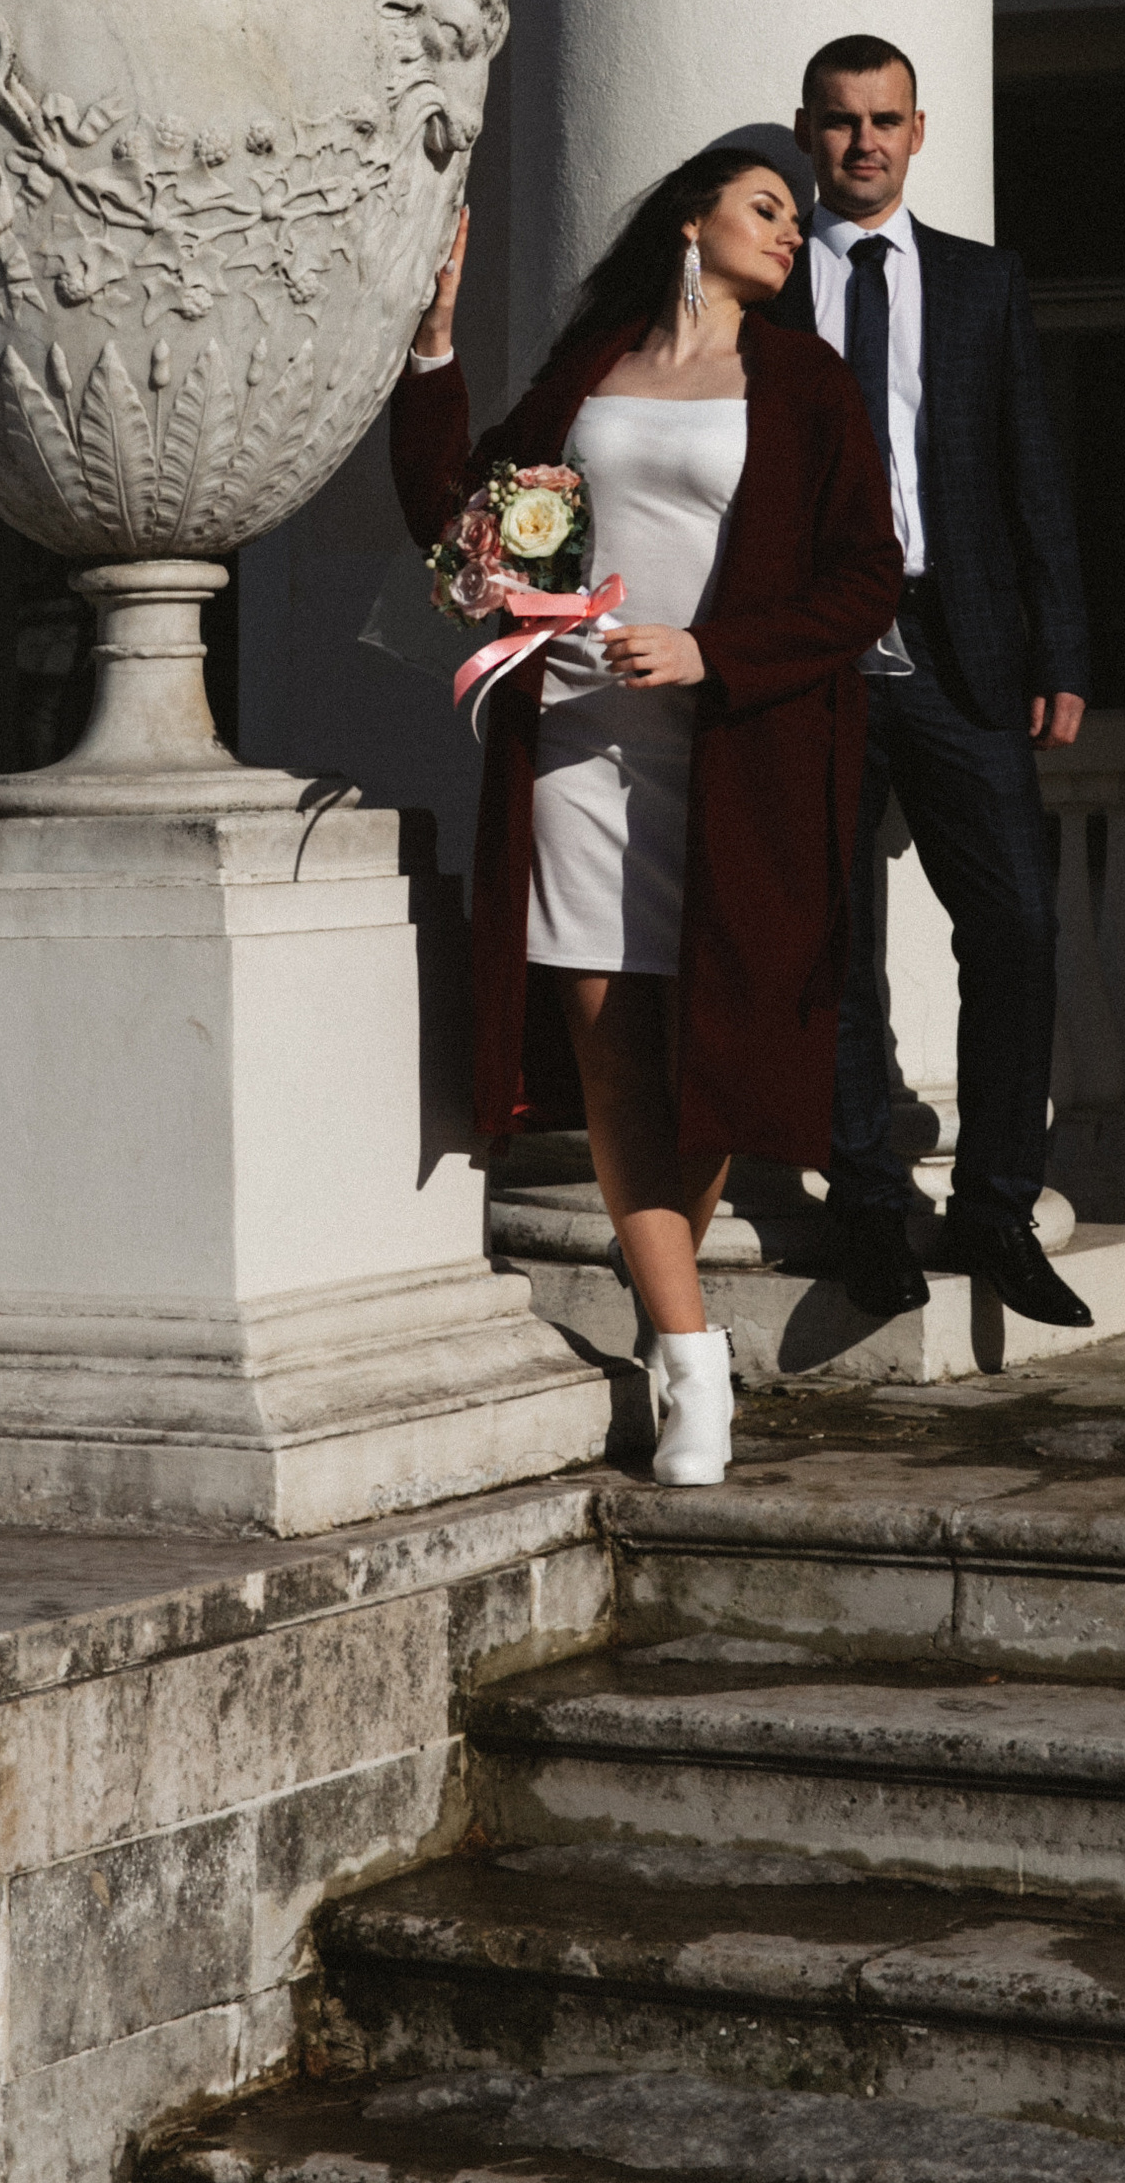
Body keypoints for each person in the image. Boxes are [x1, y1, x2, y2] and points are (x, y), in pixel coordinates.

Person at [391, 138, 902, 1486]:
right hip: (576, 744)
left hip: (741, 760)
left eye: (796, 217)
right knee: (613, 1050)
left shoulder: (804, 380)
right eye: (765, 205)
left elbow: (866, 582)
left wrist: (708, 651)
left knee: (714, 1055)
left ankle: (674, 1327)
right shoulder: (592, 364)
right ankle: (689, 1357)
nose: (789, 229)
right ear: (691, 218)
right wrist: (433, 355)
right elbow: (462, 527)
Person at [773, 32, 1094, 1328]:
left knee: (1016, 922)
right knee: (832, 938)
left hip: (960, 650)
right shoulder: (762, 283)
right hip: (811, 654)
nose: (863, 142)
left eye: (885, 119)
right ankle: (865, 1207)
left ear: (919, 131)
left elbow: (1031, 466)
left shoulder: (979, 281)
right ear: (810, 131)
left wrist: (1061, 648)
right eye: (840, 120)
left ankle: (998, 1206)